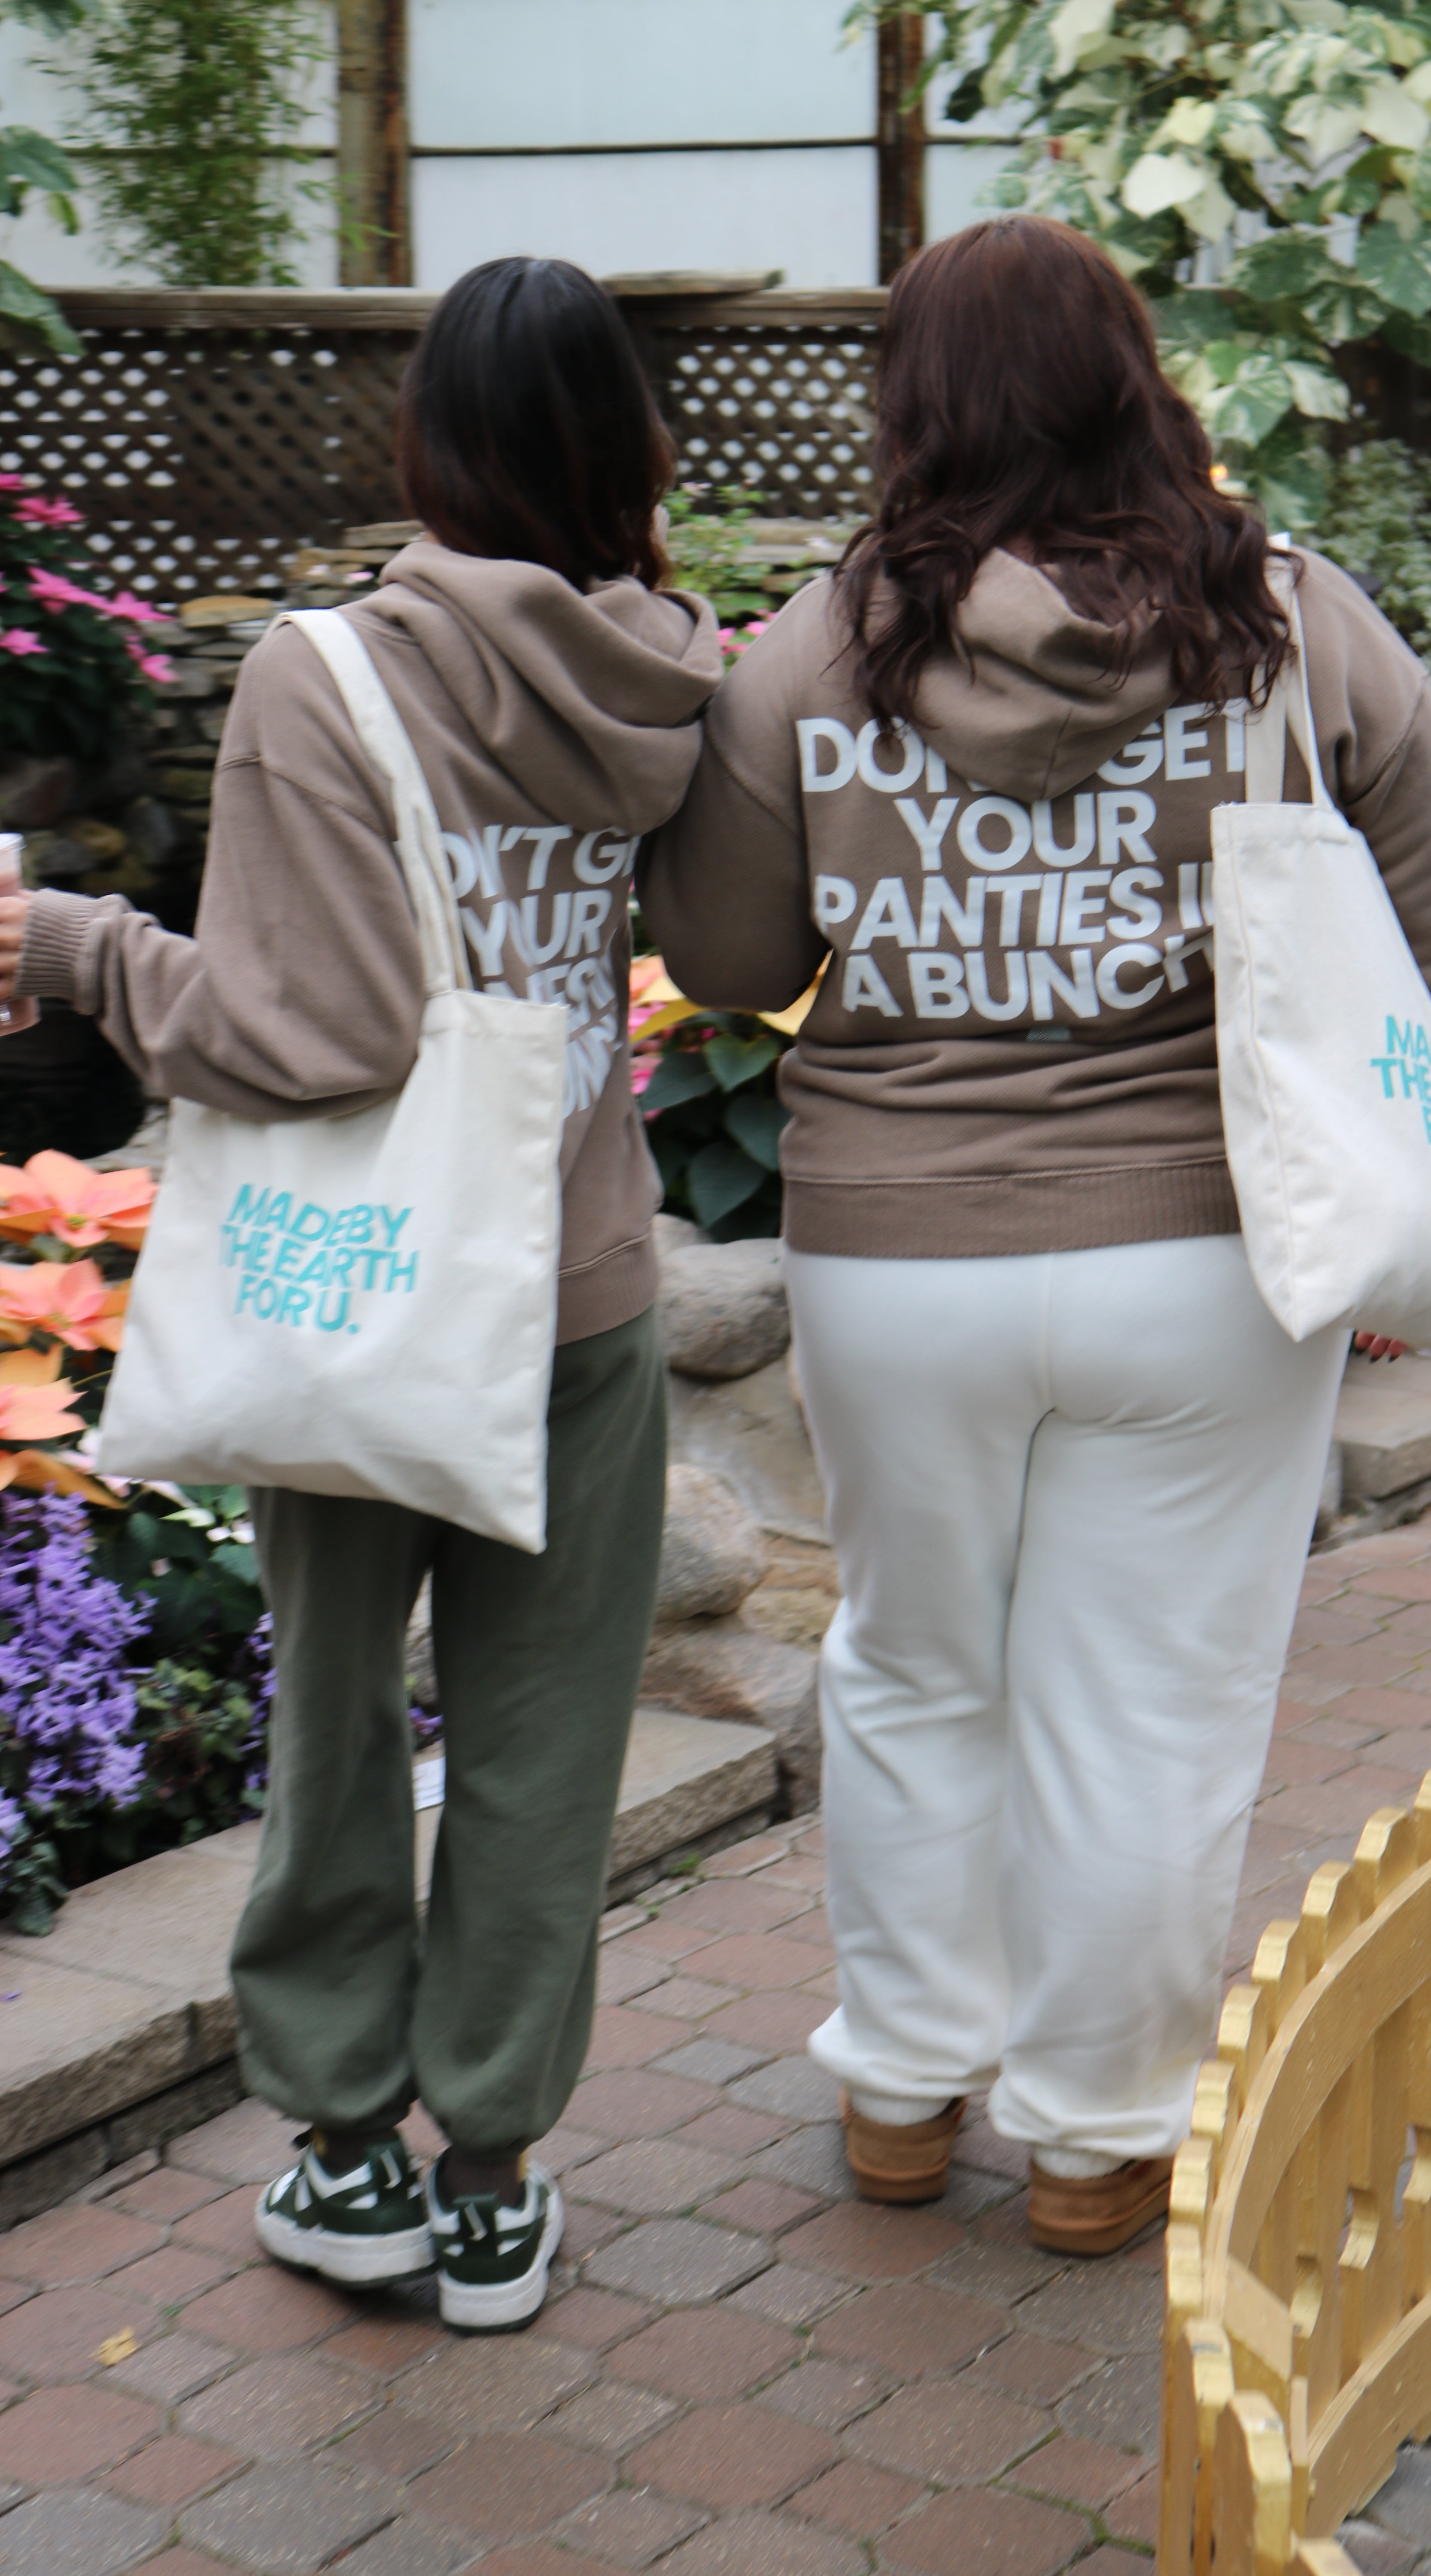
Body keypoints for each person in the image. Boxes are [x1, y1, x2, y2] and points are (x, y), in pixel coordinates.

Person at [639, 215, 1431, 2257]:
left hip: (894, 1257)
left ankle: (908, 2098)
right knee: (1152, 1703)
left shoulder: (814, 654)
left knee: (919, 1668)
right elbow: (1429, 919)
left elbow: (737, 966)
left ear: (911, 398)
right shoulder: (1290, 622)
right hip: (1207, 1255)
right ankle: (1099, 2137)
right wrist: (1407, 1194)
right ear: (1132, 375)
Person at [0, 257, 722, 2327]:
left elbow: (296, 1038)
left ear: (431, 438)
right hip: (579, 1288)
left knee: (331, 1728)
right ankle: (493, 2182)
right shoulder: (680, 678)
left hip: (366, 1293)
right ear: (632, 454)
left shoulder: (328, 677)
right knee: (540, 1745)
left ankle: (344, 2160)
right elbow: (737, 928)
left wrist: (74, 949)